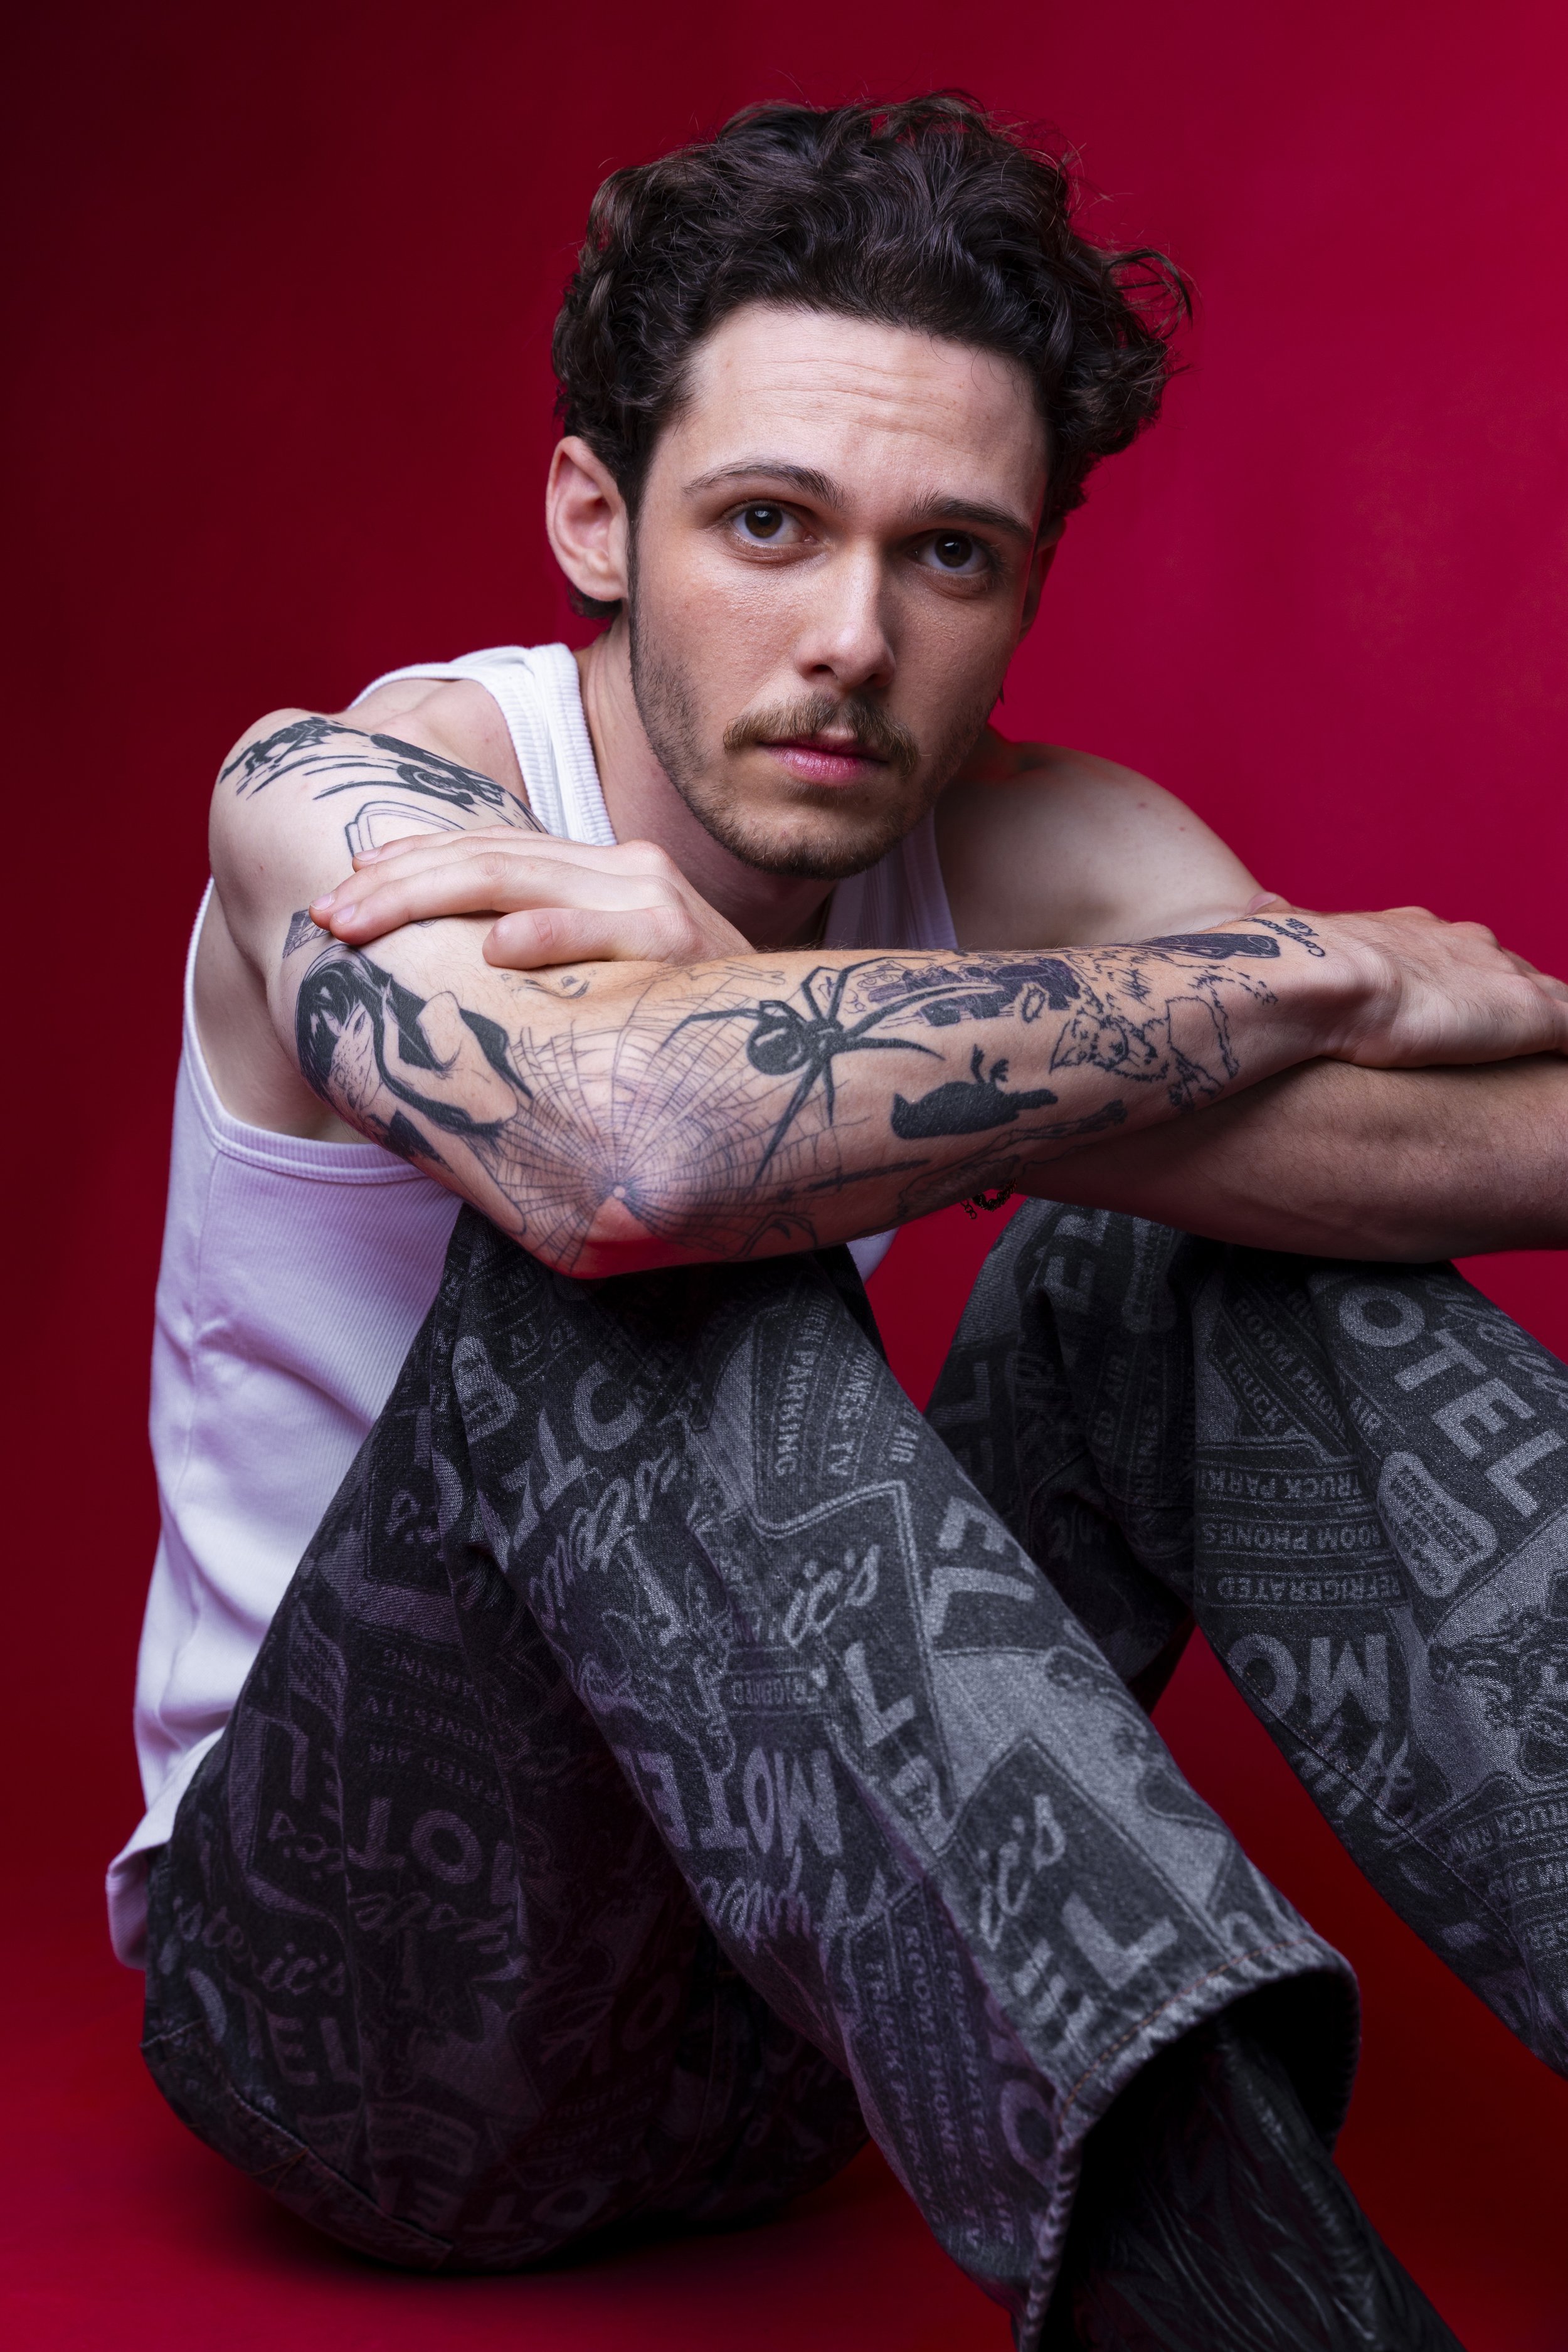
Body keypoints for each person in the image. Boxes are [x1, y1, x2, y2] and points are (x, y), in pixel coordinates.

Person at [116, 96, 1568, 2348]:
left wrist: (768, 1026)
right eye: (768, 526)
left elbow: (1527, 1126)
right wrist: (1294, 973)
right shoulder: (359, 796)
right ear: (596, 516)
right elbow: (621, 1165)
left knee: (1157, 1256)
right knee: (622, 1250)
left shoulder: (1038, 842)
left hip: (807, 2011)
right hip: (363, 2021)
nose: (851, 642)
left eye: (952, 557)